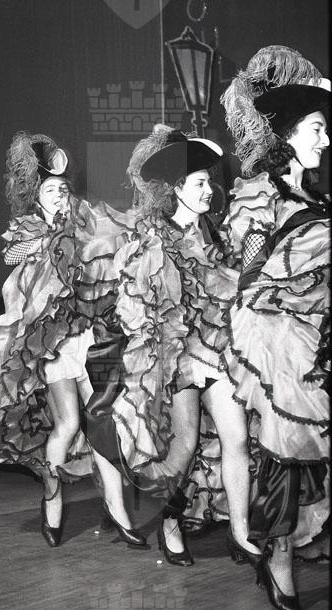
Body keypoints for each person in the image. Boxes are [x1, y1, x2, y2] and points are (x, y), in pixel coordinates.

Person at [77, 125, 260, 567]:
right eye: (199, 184)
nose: (209, 191)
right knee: (184, 444)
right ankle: (171, 523)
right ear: (176, 189)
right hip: (176, 360)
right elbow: (138, 307)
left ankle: (241, 533)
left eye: (209, 182)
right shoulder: (154, 241)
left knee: (237, 438)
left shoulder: (216, 237)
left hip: (216, 352)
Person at [0, 132, 142, 548]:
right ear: (37, 198)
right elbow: (12, 256)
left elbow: (114, 237)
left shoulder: (85, 222)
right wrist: (50, 236)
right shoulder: (29, 230)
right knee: (67, 424)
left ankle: (118, 511)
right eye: (51, 190)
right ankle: (52, 502)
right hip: (53, 343)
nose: (60, 195)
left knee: (103, 421)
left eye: (63, 189)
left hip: (90, 335)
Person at [221, 45, 330, 609]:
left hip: (314, 339)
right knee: (286, 456)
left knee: (306, 457)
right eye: (317, 128)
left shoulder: (314, 193)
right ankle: (278, 567)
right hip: (277, 345)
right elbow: (250, 276)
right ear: (287, 135)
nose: (326, 140)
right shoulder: (259, 196)